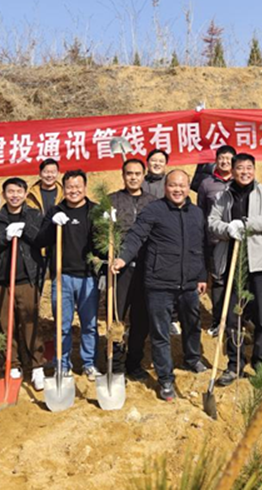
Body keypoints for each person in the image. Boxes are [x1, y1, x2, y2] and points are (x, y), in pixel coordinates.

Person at [113, 169, 208, 402]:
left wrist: (202, 276)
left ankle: (192, 359)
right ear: (165, 187)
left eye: (182, 185)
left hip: (188, 283)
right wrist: (123, 258)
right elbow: (136, 236)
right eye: (173, 185)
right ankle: (165, 379)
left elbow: (200, 247)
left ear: (188, 187)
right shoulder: (153, 210)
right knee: (160, 333)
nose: (178, 190)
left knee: (192, 324)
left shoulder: (196, 213)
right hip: (159, 283)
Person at [207, 153, 262, 386]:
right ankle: (235, 364)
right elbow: (211, 222)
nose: (244, 172)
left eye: (249, 167)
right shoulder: (223, 196)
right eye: (240, 168)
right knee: (232, 317)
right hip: (232, 263)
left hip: (258, 264)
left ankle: (261, 364)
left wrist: (246, 224)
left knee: (261, 317)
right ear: (233, 170)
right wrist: (228, 229)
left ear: (254, 170)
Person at [34, 170, 99, 380]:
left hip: (88, 277)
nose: (74, 191)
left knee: (90, 324)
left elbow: (102, 247)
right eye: (70, 187)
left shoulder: (94, 211)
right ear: (64, 189)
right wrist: (52, 225)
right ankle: (62, 363)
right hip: (62, 277)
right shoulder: (56, 211)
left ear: (85, 187)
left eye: (78, 186)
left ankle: (89, 363)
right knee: (62, 325)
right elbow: (40, 241)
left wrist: (108, 226)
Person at [0, 178, 46, 390]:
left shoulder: (34, 215)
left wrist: (25, 230)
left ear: (25, 193)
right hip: (2, 280)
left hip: (27, 278)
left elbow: (41, 240)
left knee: (30, 321)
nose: (15, 195)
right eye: (10, 191)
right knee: (5, 324)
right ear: (4, 194)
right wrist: (5, 238)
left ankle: (37, 365)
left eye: (19, 191)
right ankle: (13, 364)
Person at [108, 158, 157, 379]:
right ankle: (116, 363)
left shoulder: (154, 203)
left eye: (137, 173)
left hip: (146, 268)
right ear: (123, 175)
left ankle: (134, 362)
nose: (133, 177)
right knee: (116, 316)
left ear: (143, 175)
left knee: (141, 318)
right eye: (129, 173)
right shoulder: (112, 201)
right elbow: (100, 235)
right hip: (120, 270)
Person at [197, 145, 236, 334]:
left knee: (239, 281)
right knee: (218, 280)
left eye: (229, 159)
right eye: (221, 158)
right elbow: (201, 212)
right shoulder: (206, 184)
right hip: (215, 241)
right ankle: (218, 321)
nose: (225, 162)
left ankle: (238, 320)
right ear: (216, 160)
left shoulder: (241, 180)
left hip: (238, 241)